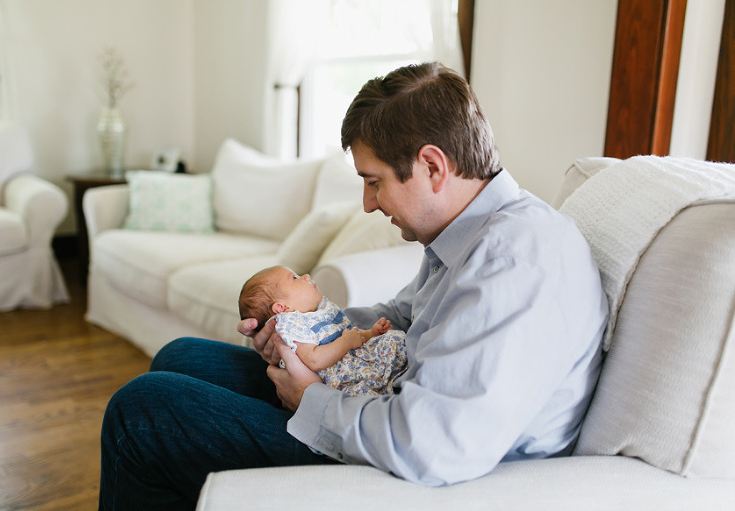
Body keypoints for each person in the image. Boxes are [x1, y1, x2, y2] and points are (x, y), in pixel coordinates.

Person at [99, 62, 608, 511]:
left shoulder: (513, 262)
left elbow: (432, 445)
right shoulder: (470, 233)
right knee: (181, 357)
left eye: (374, 181)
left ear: (432, 166)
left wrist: (311, 398)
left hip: (411, 463)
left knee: (141, 410)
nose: (368, 203)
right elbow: (398, 317)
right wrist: (300, 331)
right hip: (381, 397)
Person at [238, 265, 407, 397]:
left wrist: (371, 333)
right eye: (295, 278)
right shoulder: (292, 326)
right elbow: (314, 359)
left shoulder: (320, 312)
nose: (306, 276)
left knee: (393, 342)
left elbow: (349, 334)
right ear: (282, 308)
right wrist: (346, 342)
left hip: (355, 361)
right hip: (340, 381)